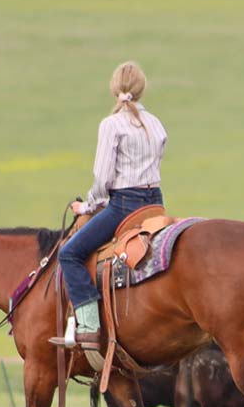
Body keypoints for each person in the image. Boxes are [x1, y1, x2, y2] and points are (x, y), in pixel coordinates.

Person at [52, 61, 167, 349]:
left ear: (114, 89)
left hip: (125, 206)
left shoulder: (111, 125)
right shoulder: (156, 123)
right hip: (155, 204)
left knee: (70, 254)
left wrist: (87, 206)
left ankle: (89, 325)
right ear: (141, 90)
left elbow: (103, 178)